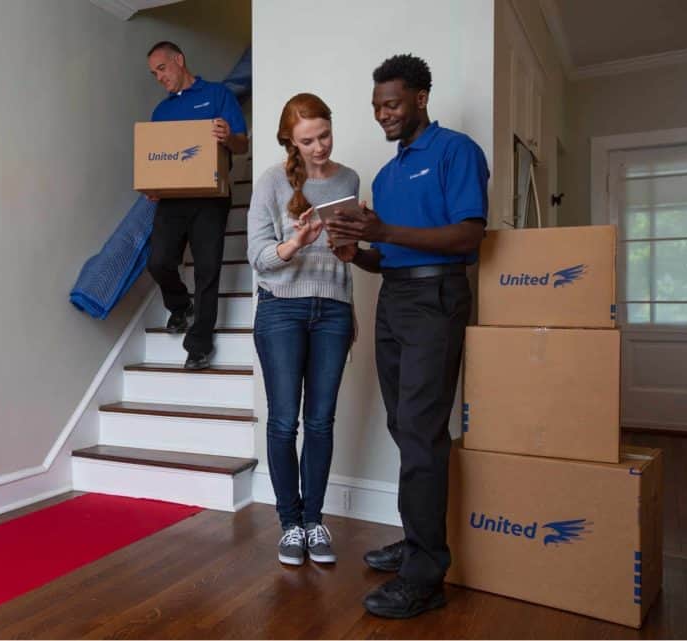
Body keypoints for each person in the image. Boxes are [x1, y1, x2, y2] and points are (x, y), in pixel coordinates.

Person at [326, 54, 489, 618]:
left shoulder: (456, 151)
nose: (382, 115)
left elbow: (470, 235)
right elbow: (390, 255)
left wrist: (385, 229)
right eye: (375, 107)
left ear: (420, 98)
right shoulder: (388, 174)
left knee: (421, 432)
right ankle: (416, 540)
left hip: (437, 298)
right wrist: (357, 252)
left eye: (391, 104)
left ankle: (426, 573)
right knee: (404, 426)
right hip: (394, 298)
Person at [246, 93, 359, 567]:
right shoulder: (271, 182)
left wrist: (347, 249)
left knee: (320, 421)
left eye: (325, 135)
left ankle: (315, 521)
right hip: (280, 311)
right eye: (308, 140)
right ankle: (290, 524)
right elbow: (259, 258)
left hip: (333, 309)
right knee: (283, 420)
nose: (319, 147)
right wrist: (296, 242)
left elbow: (349, 258)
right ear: (291, 141)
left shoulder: (349, 179)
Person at [145, 41, 249, 370]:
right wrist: (153, 186)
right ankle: (180, 305)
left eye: (162, 68)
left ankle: (199, 345)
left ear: (179, 59)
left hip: (211, 199)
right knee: (159, 261)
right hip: (173, 200)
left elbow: (242, 145)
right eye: (154, 73)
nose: (159, 77)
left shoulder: (217, 94)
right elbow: (158, 159)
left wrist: (227, 136)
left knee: (207, 270)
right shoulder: (160, 112)